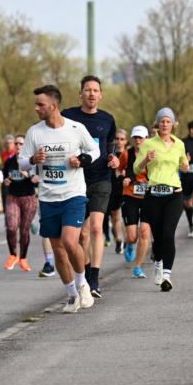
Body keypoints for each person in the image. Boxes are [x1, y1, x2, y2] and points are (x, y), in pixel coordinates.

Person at [20, 84, 99, 313]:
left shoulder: (75, 128)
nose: (36, 108)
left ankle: (83, 282)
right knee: (58, 249)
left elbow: (95, 150)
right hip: (48, 197)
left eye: (40, 104)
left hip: (73, 194)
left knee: (69, 241)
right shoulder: (34, 132)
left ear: (53, 106)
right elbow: (22, 162)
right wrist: (34, 159)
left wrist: (82, 160)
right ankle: (72, 294)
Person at [62, 75, 119, 299]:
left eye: (95, 90)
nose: (91, 94)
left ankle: (94, 277)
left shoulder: (107, 119)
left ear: (101, 94)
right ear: (81, 93)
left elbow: (110, 146)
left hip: (101, 178)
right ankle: (84, 274)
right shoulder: (68, 116)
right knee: (81, 235)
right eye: (87, 90)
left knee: (96, 227)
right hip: (75, 180)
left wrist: (114, 159)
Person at [135, 108, 188, 291]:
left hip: (174, 194)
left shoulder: (179, 144)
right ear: (157, 124)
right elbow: (136, 169)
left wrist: (185, 165)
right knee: (157, 237)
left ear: (173, 124)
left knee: (168, 234)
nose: (165, 124)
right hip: (154, 195)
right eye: (162, 121)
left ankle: (167, 276)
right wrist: (145, 161)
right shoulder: (148, 144)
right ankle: (157, 263)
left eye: (168, 121)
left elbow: (183, 164)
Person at [120, 126, 151, 279]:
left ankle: (137, 267)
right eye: (135, 138)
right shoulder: (127, 154)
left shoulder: (153, 154)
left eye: (141, 138)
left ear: (146, 138)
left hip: (148, 197)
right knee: (132, 236)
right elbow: (119, 170)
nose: (138, 140)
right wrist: (123, 178)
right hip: (130, 196)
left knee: (144, 232)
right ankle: (129, 244)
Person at [2, 145, 38, 271]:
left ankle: (23, 258)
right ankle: (13, 255)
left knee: (24, 230)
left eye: (22, 144)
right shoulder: (9, 162)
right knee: (11, 227)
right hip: (13, 197)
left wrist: (27, 175)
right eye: (16, 144)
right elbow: (5, 179)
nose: (18, 146)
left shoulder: (32, 161)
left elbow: (37, 180)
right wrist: (6, 181)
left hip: (29, 198)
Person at [106, 129, 128, 254]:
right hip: (113, 188)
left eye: (122, 139)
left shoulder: (129, 153)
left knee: (124, 216)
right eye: (117, 138)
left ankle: (125, 239)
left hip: (126, 188)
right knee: (115, 216)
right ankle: (119, 240)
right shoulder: (110, 154)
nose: (119, 141)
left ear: (126, 141)